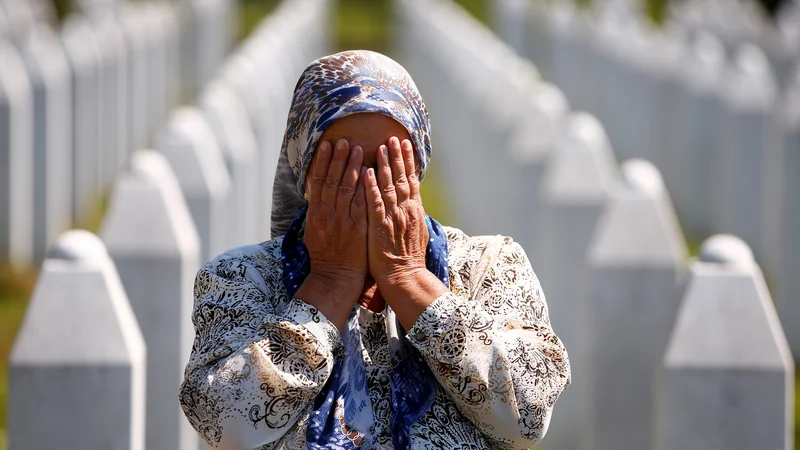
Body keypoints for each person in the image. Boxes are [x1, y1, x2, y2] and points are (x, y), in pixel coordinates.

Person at [179, 50, 570, 450]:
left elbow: (527, 417)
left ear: (416, 169)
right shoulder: (240, 276)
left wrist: (409, 279)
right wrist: (329, 283)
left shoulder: (489, 266)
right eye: (341, 164)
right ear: (304, 170)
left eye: (386, 165)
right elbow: (223, 423)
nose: (366, 187)